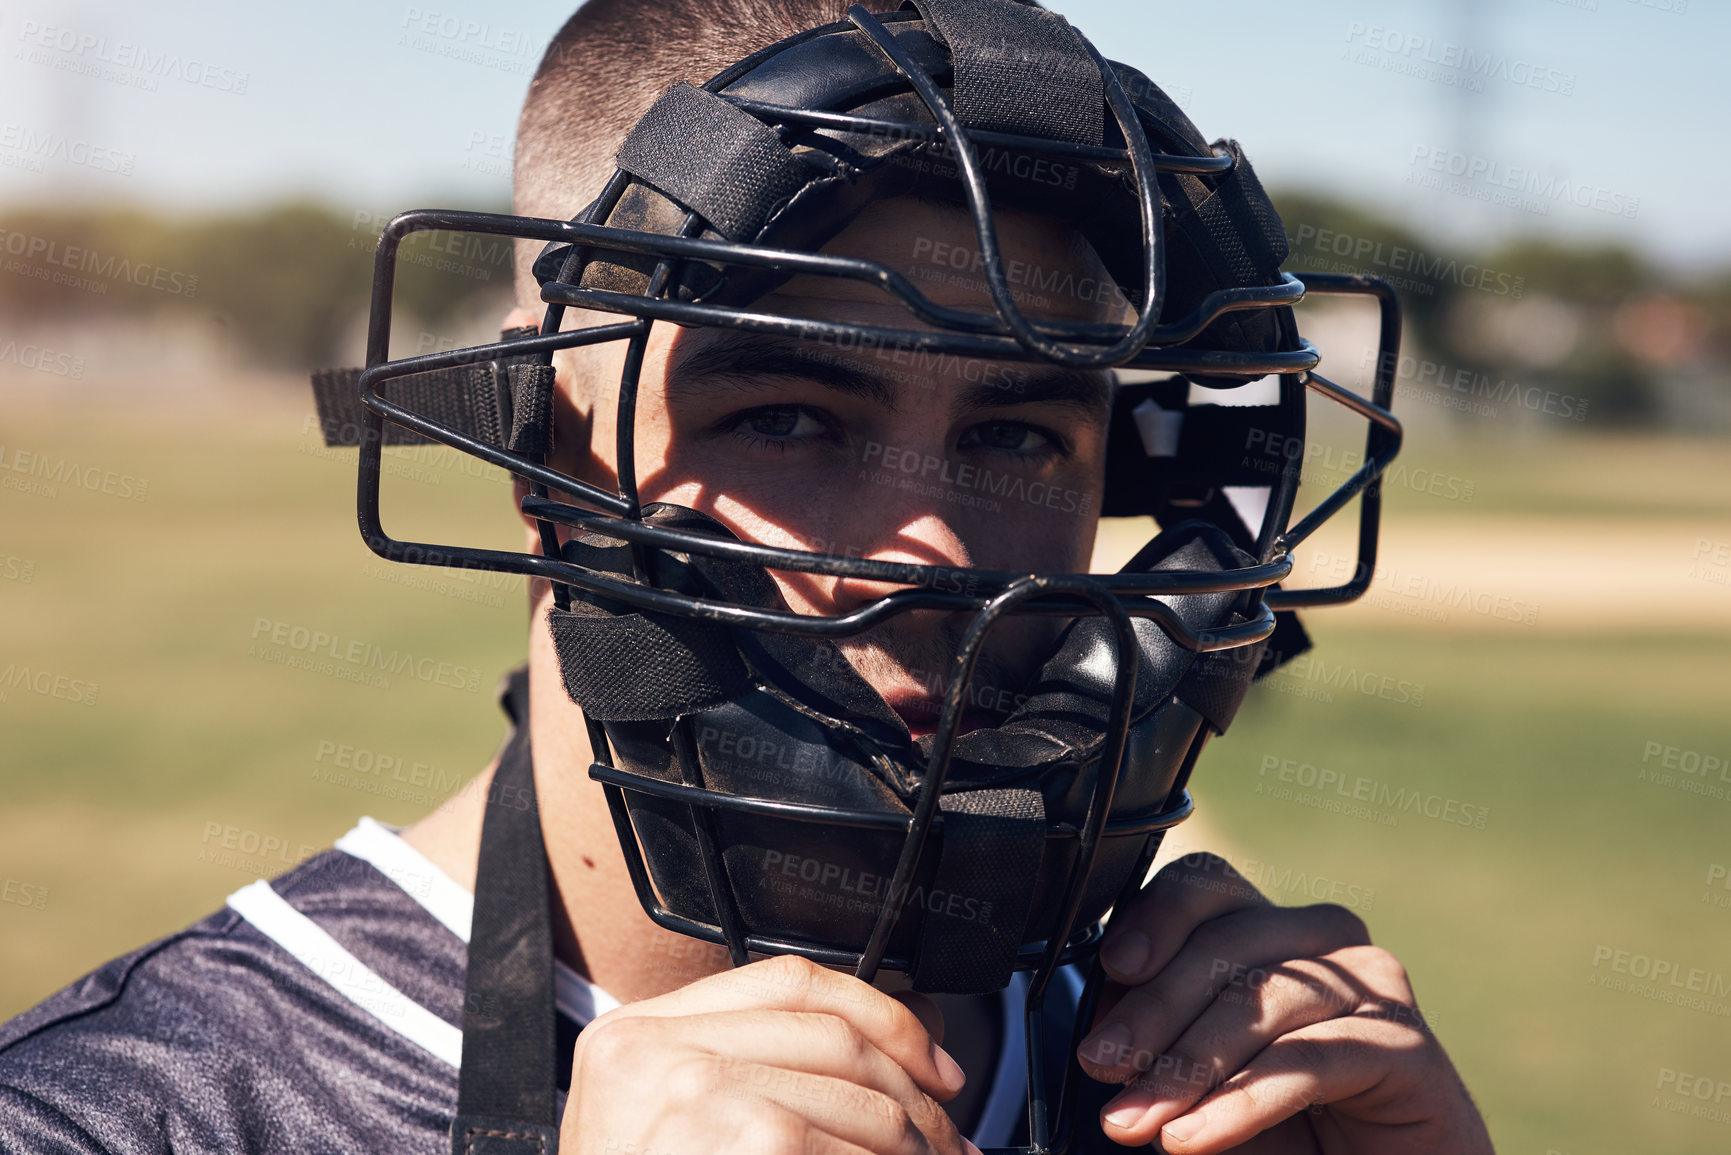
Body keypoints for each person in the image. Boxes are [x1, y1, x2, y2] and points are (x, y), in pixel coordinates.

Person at [0, 1, 1495, 1152]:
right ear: (542, 461)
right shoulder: (135, 1113)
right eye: (786, 419)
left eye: (1023, 433)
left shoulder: (1218, 1099)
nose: (938, 552)